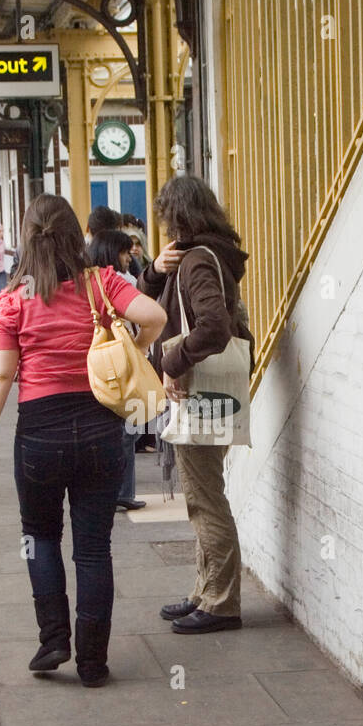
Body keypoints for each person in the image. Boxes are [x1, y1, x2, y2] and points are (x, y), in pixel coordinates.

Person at [0, 194, 166, 687]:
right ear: (73, 233)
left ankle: (53, 639)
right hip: (100, 430)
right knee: (94, 549)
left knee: (40, 538)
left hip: (39, 434)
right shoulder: (102, 284)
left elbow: (0, 374)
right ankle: (94, 662)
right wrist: (131, 351)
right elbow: (155, 318)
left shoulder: (12, 300)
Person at [137, 175, 252, 635]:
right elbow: (145, 298)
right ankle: (206, 591)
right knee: (203, 495)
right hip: (213, 389)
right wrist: (155, 270)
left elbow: (213, 326)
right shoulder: (205, 255)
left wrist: (171, 360)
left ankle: (221, 604)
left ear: (178, 216)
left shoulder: (198, 263)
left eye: (167, 216)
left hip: (201, 388)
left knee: (206, 500)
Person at [87, 229, 147, 513]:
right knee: (130, 426)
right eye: (125, 252)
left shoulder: (87, 281)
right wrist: (141, 347)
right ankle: (123, 491)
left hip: (100, 361)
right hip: (123, 360)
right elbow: (153, 317)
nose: (128, 257)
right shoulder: (121, 281)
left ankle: (112, 490)